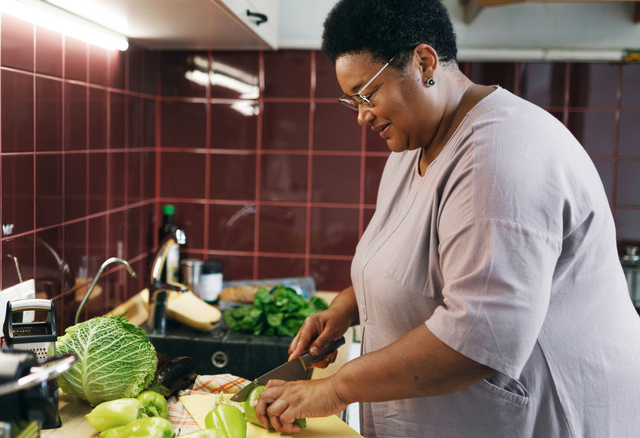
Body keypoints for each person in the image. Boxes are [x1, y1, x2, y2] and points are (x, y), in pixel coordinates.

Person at [253, 0, 640, 436]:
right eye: (352, 100)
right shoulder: (412, 147)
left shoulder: (500, 155)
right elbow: (414, 262)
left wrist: (336, 389)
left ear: (423, 62)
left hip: (545, 418)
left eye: (367, 93)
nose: (361, 116)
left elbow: (480, 336)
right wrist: (347, 306)